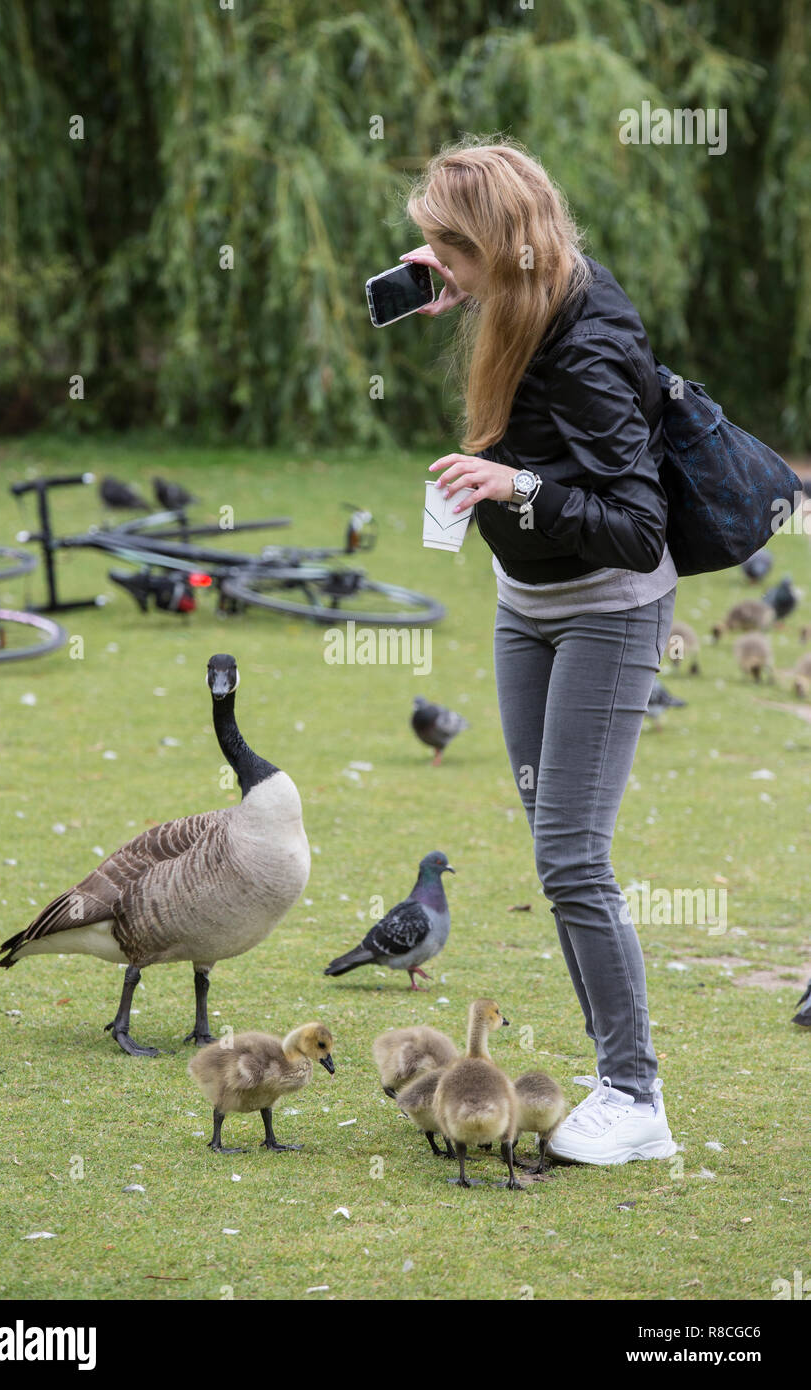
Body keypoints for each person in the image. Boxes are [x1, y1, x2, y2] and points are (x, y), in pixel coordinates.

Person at [401, 137, 678, 1165]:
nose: (436, 260)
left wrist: (513, 488)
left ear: (499, 245)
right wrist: (460, 291)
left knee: (570, 859)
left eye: (448, 248)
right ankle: (621, 1079)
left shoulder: (587, 342)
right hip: (526, 606)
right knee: (553, 853)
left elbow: (635, 524)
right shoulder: (524, 288)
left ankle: (634, 1094)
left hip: (606, 609)